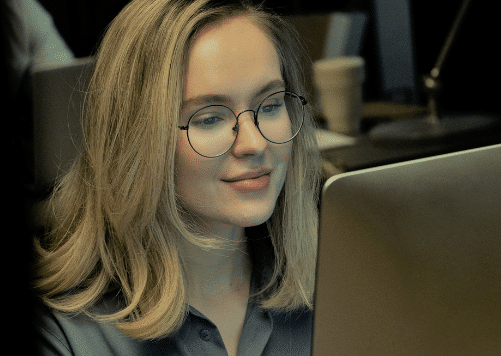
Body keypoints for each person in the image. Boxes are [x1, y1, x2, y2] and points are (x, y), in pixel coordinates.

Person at [33, 0, 322, 355]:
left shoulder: (336, 284)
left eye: (272, 104)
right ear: (136, 141)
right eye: (210, 118)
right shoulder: (64, 334)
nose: (255, 143)